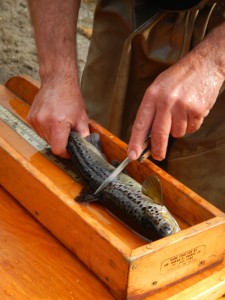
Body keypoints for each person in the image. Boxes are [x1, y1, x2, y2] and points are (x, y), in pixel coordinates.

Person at [27, 0, 225, 211]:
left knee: (199, 211)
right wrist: (56, 74)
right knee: (89, 152)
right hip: (126, 11)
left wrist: (213, 62)